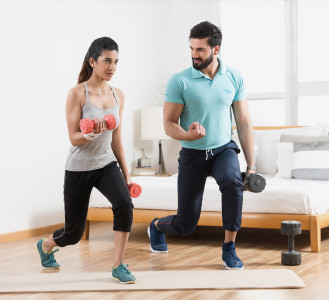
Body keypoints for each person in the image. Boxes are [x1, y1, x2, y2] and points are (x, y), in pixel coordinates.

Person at [147, 21, 255, 270]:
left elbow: (244, 122)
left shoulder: (234, 77)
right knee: (186, 225)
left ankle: (229, 249)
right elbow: (169, 124)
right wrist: (188, 135)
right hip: (193, 153)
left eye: (201, 50)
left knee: (232, 181)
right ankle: (156, 226)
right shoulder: (179, 81)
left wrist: (251, 165)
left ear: (216, 49)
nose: (194, 55)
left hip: (223, 149)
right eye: (192, 49)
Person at [36, 37, 136, 283]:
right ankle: (47, 245)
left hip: (106, 164)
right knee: (73, 234)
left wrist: (126, 173)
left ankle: (118, 265)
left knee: (124, 204)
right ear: (92, 61)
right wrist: (91, 133)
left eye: (116, 62)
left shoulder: (119, 95)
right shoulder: (77, 93)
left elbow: (117, 139)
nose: (112, 67)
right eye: (106, 61)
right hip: (79, 168)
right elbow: (73, 137)